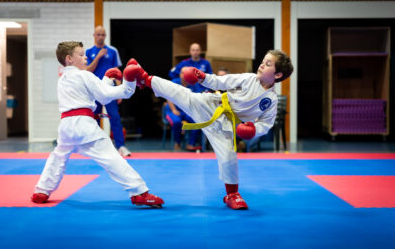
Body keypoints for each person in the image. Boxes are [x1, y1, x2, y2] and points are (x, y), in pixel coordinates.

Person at [125, 50, 293, 210]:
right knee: (181, 93)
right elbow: (222, 81)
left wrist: (254, 129)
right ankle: (144, 77)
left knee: (229, 157)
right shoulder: (248, 78)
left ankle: (232, 195)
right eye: (263, 61)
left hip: (226, 125)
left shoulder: (271, 100)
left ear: (277, 75)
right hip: (213, 103)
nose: (262, 65)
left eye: (268, 64)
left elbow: (266, 124)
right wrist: (203, 77)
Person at [31, 41, 164, 208]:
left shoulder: (63, 78)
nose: (86, 57)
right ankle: (139, 193)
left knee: (58, 157)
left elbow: (92, 92)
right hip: (84, 126)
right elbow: (105, 96)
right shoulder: (84, 75)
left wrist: (106, 80)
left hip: (66, 126)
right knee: (112, 158)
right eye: (81, 54)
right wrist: (128, 83)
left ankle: (42, 190)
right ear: (69, 59)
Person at [86, 26, 131, 157]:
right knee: (94, 118)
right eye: (98, 34)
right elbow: (88, 70)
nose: (100, 37)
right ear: (94, 35)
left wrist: (120, 90)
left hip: (110, 90)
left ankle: (121, 147)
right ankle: (95, 146)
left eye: (103, 34)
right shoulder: (89, 52)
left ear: (105, 36)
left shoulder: (113, 51)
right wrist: (98, 57)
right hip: (95, 90)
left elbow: (117, 71)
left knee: (115, 118)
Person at [165, 67, 205, 151]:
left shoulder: (193, 83)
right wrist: (173, 110)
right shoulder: (174, 82)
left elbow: (196, 98)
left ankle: (191, 144)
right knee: (176, 122)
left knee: (198, 121)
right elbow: (168, 97)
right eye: (182, 73)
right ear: (180, 74)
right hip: (173, 110)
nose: (184, 75)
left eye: (186, 73)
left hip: (187, 111)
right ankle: (177, 143)